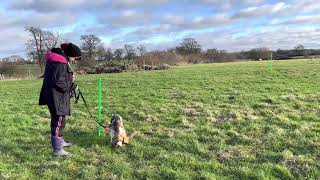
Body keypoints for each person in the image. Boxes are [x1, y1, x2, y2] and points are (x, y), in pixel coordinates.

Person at [39, 43, 81, 157]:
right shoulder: (59, 62)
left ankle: (60, 142)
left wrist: (69, 77)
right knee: (58, 122)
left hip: (55, 96)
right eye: (75, 58)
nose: (75, 61)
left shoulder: (58, 60)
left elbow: (58, 77)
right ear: (70, 54)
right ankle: (58, 149)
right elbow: (59, 82)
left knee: (60, 120)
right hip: (56, 97)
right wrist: (73, 86)